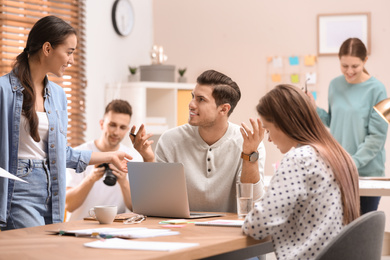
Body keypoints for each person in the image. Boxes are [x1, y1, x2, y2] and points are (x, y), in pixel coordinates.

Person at [0, 16, 131, 230]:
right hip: (18, 191)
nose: (71, 60)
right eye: (69, 52)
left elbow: (63, 154)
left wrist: (109, 156)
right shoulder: (4, 90)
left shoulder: (58, 95)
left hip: (52, 191)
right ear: (47, 48)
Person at [242, 84, 360, 260]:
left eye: (268, 129)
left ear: (283, 123)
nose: (269, 138)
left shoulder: (300, 159)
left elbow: (259, 225)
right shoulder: (340, 155)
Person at [136, 69, 266, 213]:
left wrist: (249, 155)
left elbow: (252, 204)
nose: (191, 104)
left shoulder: (249, 144)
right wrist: (148, 159)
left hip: (229, 233)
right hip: (181, 232)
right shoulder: (170, 140)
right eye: (193, 97)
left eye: (201, 99)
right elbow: (156, 203)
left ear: (223, 109)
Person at [312, 38, 388, 215]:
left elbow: (378, 137)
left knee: (363, 228)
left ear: (365, 61)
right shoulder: (335, 84)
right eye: (344, 66)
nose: (349, 71)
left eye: (355, 66)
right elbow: (333, 120)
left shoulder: (380, 90)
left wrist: (351, 163)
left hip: (367, 173)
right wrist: (312, 107)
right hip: (339, 169)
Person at [66, 100, 152, 221]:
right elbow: (68, 205)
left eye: (122, 127)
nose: (116, 132)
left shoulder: (133, 157)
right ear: (102, 124)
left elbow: (137, 208)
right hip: (80, 227)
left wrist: (123, 181)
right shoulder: (79, 155)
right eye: (112, 125)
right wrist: (90, 179)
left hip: (116, 228)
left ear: (127, 130)